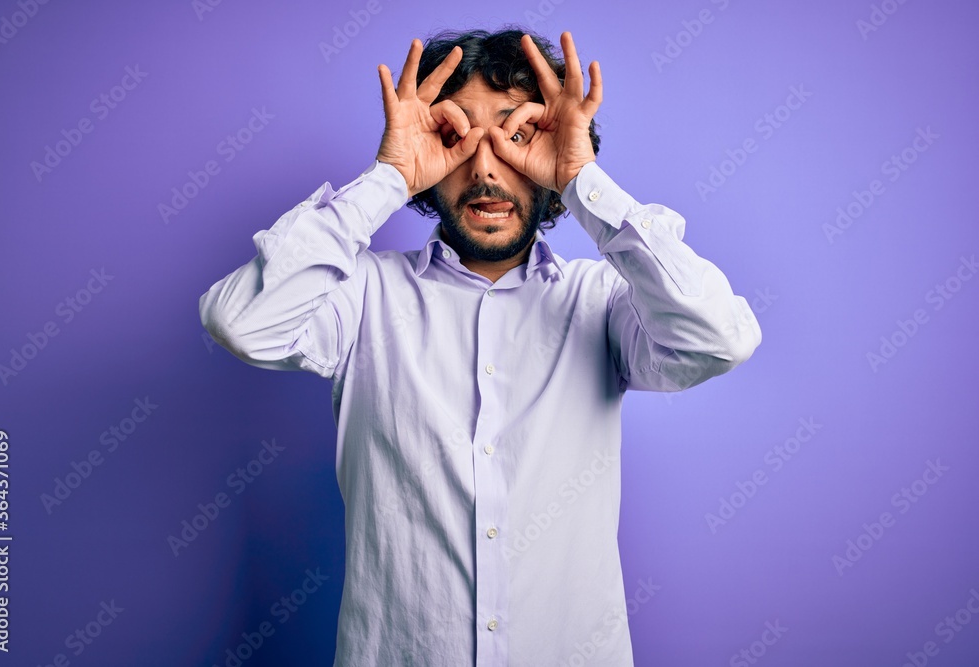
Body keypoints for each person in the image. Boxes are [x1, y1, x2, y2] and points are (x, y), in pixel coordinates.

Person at [200, 27, 761, 666]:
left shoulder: (603, 301)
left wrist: (585, 182)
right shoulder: (361, 297)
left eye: (518, 137)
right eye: (455, 137)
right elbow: (242, 323)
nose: (487, 168)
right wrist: (387, 178)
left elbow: (719, 338)